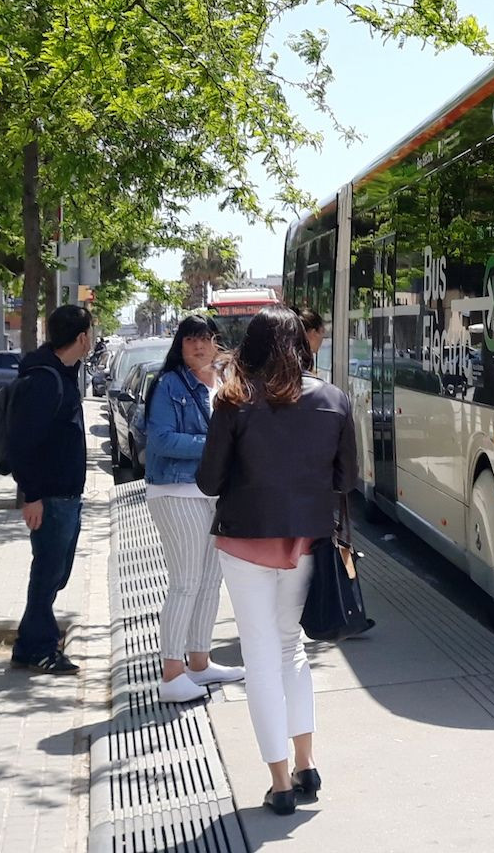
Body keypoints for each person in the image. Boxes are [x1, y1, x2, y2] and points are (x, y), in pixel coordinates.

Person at [197, 306, 357, 816]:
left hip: (245, 543)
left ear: (253, 348)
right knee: (291, 651)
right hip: (305, 543)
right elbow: (346, 479)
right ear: (302, 346)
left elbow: (208, 481)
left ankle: (280, 782)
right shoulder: (333, 399)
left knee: (260, 658)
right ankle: (307, 764)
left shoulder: (234, 401)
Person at [143, 315, 245, 704]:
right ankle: (172, 674)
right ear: (180, 345)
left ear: (217, 342)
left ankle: (199, 663)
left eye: (205, 339)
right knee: (186, 581)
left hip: (214, 493)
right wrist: (218, 443)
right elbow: (162, 439)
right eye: (190, 340)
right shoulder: (169, 384)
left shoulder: (225, 382)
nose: (198, 347)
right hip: (175, 491)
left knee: (209, 580)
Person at [6, 304, 93, 675]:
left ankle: (29, 644)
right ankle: (40, 648)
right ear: (82, 338)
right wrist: (33, 495)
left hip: (64, 495)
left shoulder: (61, 373)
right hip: (52, 497)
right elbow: (23, 444)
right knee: (48, 574)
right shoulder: (47, 380)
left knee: (54, 574)